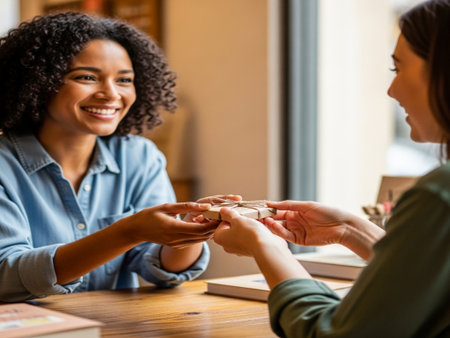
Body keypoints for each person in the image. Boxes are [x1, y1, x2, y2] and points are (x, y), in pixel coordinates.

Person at [213, 0, 450, 336]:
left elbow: (333, 333)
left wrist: (265, 247)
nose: (391, 90)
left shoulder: (439, 195)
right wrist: (349, 229)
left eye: (398, 69)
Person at [0, 12, 235, 302]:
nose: (111, 94)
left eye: (124, 80)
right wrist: (128, 232)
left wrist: (192, 230)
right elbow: (6, 276)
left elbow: (160, 268)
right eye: (86, 77)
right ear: (39, 82)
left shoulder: (139, 156)